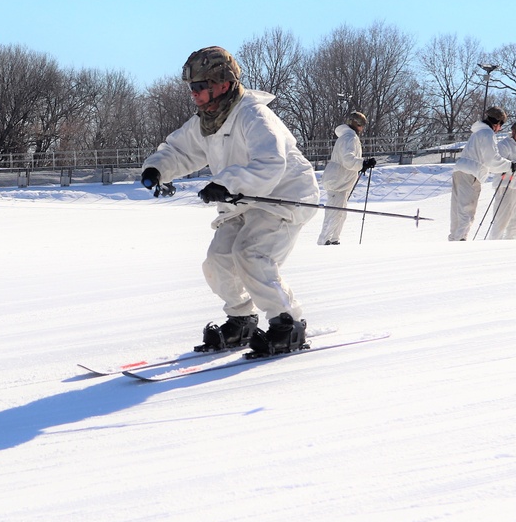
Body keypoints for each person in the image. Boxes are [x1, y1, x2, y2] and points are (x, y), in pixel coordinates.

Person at [139, 46, 320, 356]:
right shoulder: (207, 121)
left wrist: (225, 183)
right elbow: (180, 151)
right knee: (218, 260)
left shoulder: (254, 115)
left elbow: (270, 163)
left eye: (200, 87)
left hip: (283, 197)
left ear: (223, 83)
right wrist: (156, 169)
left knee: (251, 254)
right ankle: (241, 319)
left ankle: (289, 325)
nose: (194, 94)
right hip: (242, 199)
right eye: (191, 88)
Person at [448, 106, 516, 241]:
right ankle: (460, 240)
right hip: (471, 174)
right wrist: (511, 165)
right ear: (497, 123)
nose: (500, 129)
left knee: (457, 209)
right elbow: (492, 160)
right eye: (500, 125)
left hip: (460, 171)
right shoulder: (487, 134)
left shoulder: (477, 133)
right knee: (467, 210)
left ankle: (454, 239)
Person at [317, 111, 376, 245]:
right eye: (362, 125)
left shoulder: (348, 137)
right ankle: (324, 241)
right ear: (358, 124)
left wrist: (362, 164)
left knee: (340, 213)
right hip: (338, 181)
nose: (363, 128)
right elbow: (347, 159)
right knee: (335, 212)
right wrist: (363, 163)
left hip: (340, 180)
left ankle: (334, 239)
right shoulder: (350, 137)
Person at [487, 120, 516, 240]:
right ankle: (493, 245)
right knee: (502, 220)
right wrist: (514, 166)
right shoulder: (504, 145)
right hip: (507, 187)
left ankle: (511, 244)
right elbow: (496, 166)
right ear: (513, 131)